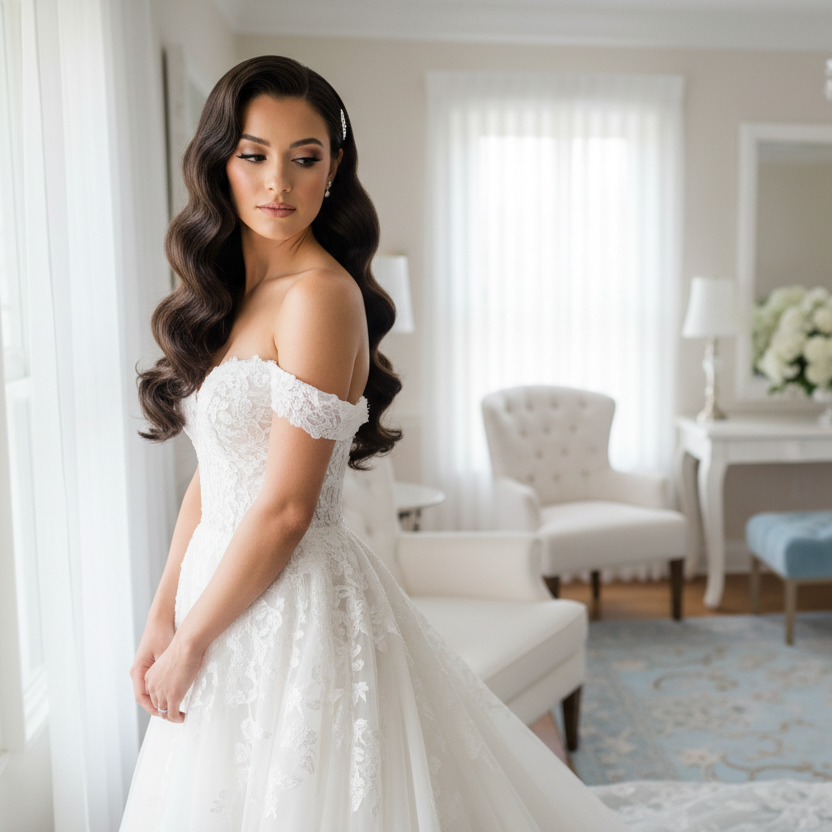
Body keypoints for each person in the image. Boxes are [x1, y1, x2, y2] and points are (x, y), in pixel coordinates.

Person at [119, 55, 629, 831]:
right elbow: (213, 477)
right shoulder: (234, 296)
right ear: (220, 161)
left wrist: (191, 640)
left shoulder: (321, 296)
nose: (278, 183)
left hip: (291, 602)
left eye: (305, 157)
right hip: (218, 597)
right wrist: (165, 616)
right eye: (254, 155)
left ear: (335, 168)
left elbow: (287, 509)